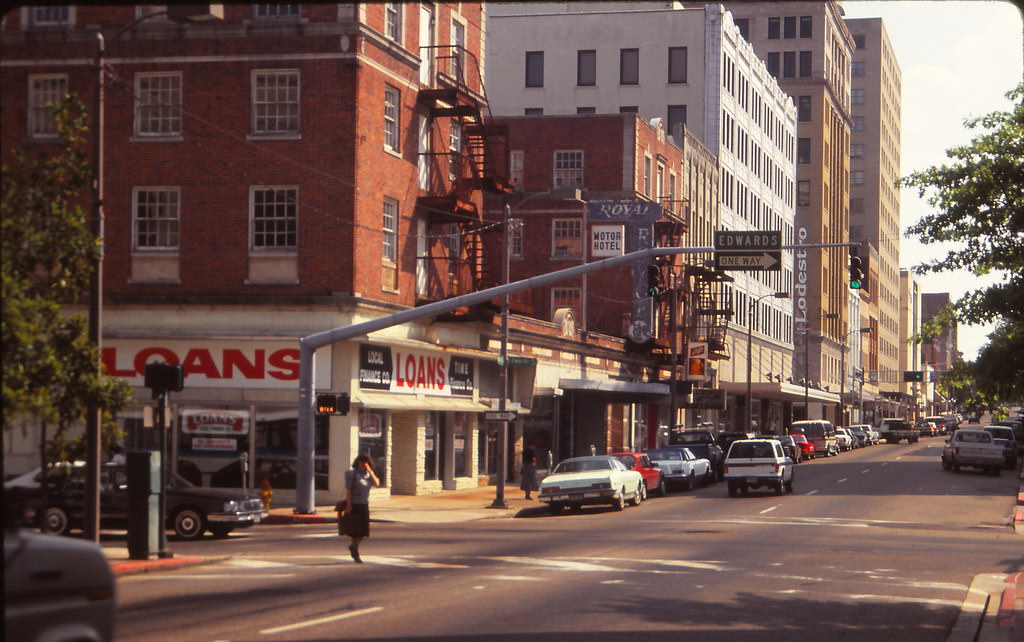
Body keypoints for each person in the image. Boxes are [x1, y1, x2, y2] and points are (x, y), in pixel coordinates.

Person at [342, 453, 379, 562]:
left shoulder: (368, 475)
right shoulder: (351, 474)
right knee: (355, 530)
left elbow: (376, 484)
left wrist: (370, 471)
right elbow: (348, 490)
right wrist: (348, 505)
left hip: (364, 504)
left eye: (366, 462)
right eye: (362, 462)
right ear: (357, 462)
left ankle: (353, 547)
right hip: (354, 504)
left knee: (363, 531)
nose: (363, 464)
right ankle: (356, 553)